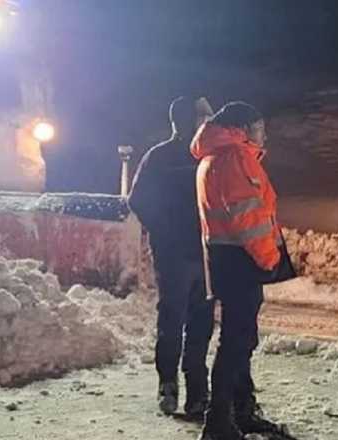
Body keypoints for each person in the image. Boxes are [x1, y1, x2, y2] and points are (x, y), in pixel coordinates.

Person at [192, 101, 293, 440]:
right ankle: (220, 421)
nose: (265, 134)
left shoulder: (219, 155)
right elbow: (247, 216)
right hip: (240, 262)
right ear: (244, 129)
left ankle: (239, 411)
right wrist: (269, 258)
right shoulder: (234, 158)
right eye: (261, 127)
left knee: (240, 338)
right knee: (235, 341)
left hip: (228, 260)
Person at [127, 96, 215, 417]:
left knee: (202, 323)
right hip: (174, 255)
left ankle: (197, 390)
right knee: (172, 319)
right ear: (184, 120)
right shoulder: (159, 157)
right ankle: (168, 384)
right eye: (203, 114)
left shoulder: (209, 156)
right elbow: (138, 200)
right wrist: (165, 231)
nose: (209, 119)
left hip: (206, 254)